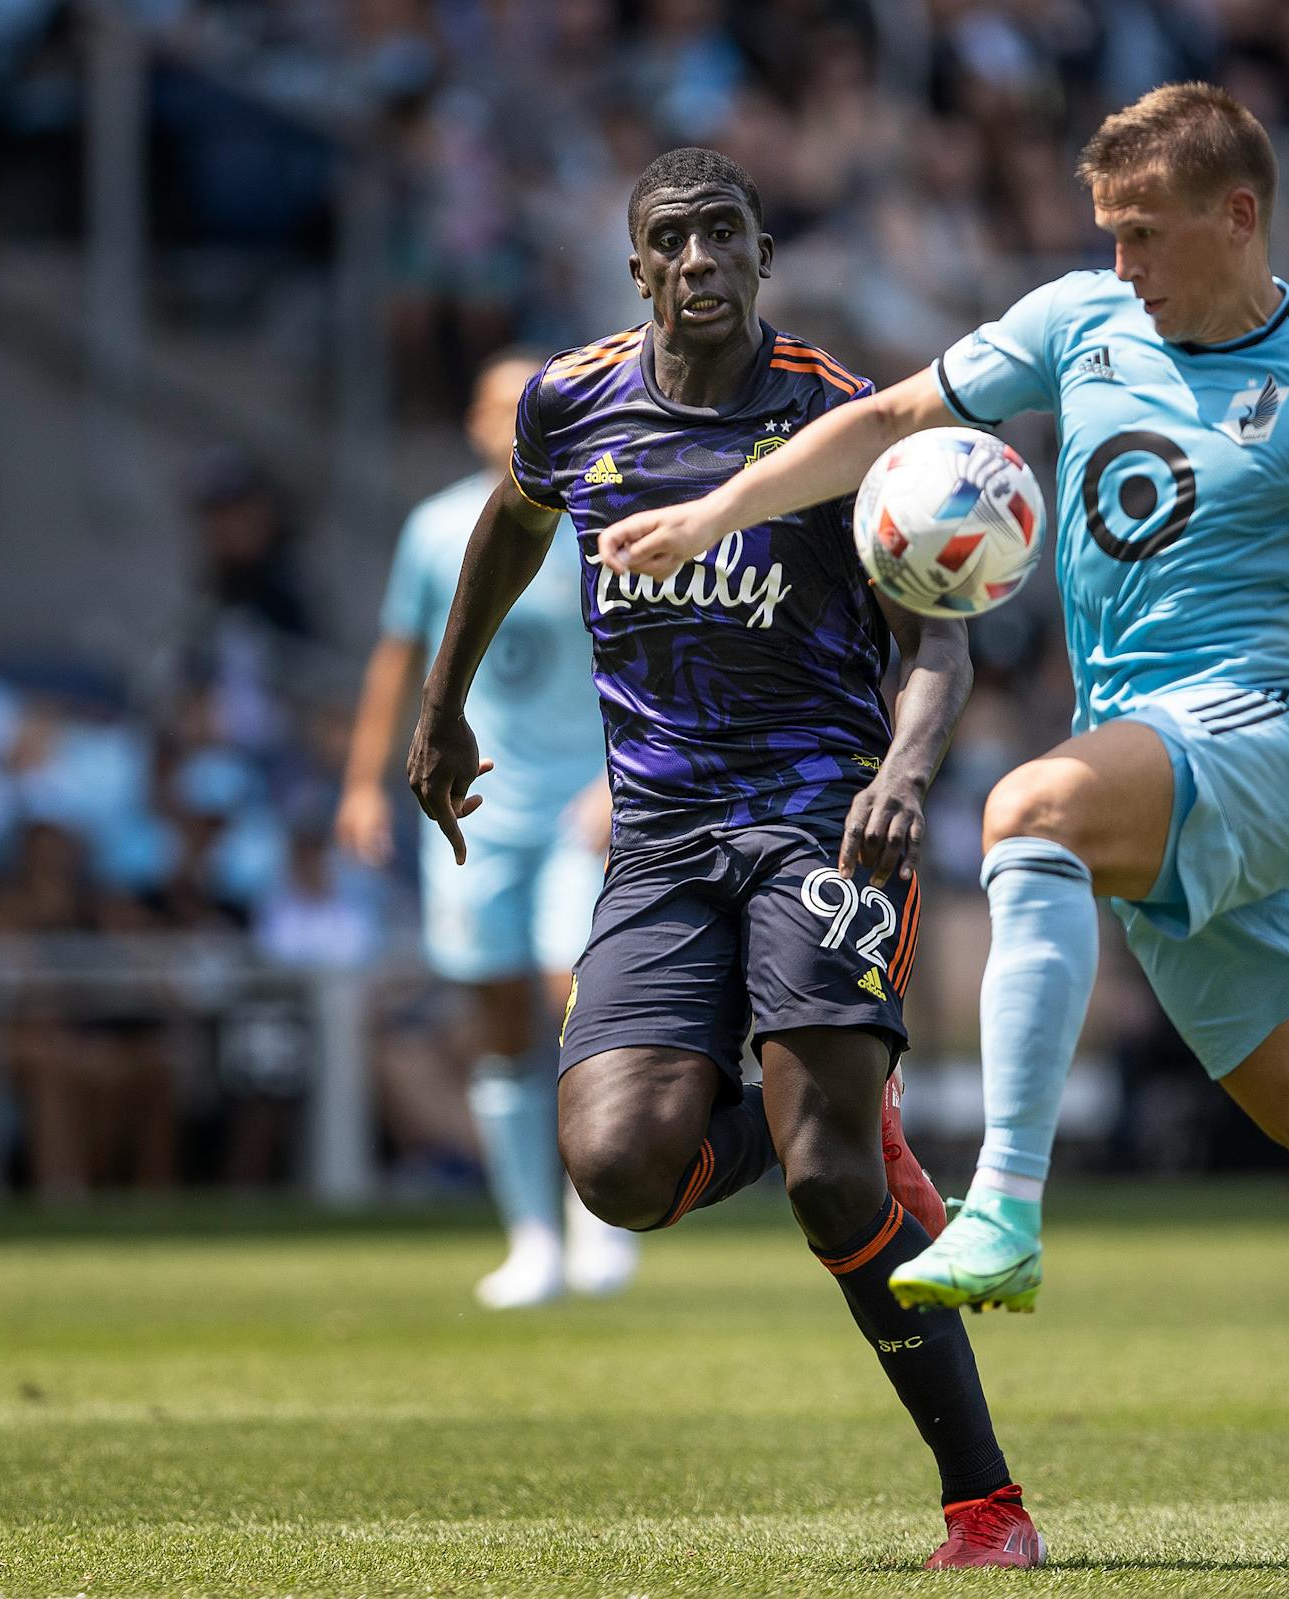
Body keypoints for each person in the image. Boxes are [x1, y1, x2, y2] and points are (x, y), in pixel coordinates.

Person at [597, 87, 1289, 1516]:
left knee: (1025, 811)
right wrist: (711, 516)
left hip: (1270, 740)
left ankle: (1003, 1200)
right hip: (1150, 766)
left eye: (1143, 235)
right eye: (1109, 236)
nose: (1122, 263)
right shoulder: (1081, 322)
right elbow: (890, 416)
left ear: (1237, 214)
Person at [406, 147, 1043, 1568]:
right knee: (619, 1169)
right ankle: (847, 1114)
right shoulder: (570, 404)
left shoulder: (833, 417)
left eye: (723, 238)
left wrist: (906, 767)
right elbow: (513, 525)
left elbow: (939, 631)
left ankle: (986, 1504)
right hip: (659, 838)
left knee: (827, 1184)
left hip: (823, 817)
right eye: (670, 241)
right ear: (635, 266)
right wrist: (440, 705)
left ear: (763, 257)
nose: (698, 262)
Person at [338, 350, 638, 1308]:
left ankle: (599, 1212)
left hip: (583, 800)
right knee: (497, 1014)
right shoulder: (432, 530)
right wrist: (361, 784)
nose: (514, 419)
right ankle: (530, 1236)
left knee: (572, 991)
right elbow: (400, 659)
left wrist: (620, 777)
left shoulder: (601, 516)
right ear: (472, 421)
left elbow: (642, 655)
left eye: (529, 403)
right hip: (477, 804)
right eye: (498, 404)